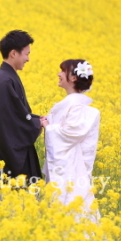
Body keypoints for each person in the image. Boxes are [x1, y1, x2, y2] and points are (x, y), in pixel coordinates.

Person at [0, 30, 45, 186]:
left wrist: (36, 120)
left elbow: (15, 115)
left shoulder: (7, 76)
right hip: (5, 159)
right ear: (14, 54)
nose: (28, 59)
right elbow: (10, 122)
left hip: (5, 156)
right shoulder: (4, 81)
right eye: (26, 54)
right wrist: (36, 123)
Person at [40, 59, 100, 218]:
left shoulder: (76, 105)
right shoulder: (71, 104)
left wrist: (48, 127)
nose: (58, 74)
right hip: (67, 166)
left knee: (69, 206)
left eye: (62, 71)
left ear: (73, 78)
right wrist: (50, 121)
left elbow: (71, 133)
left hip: (71, 168)